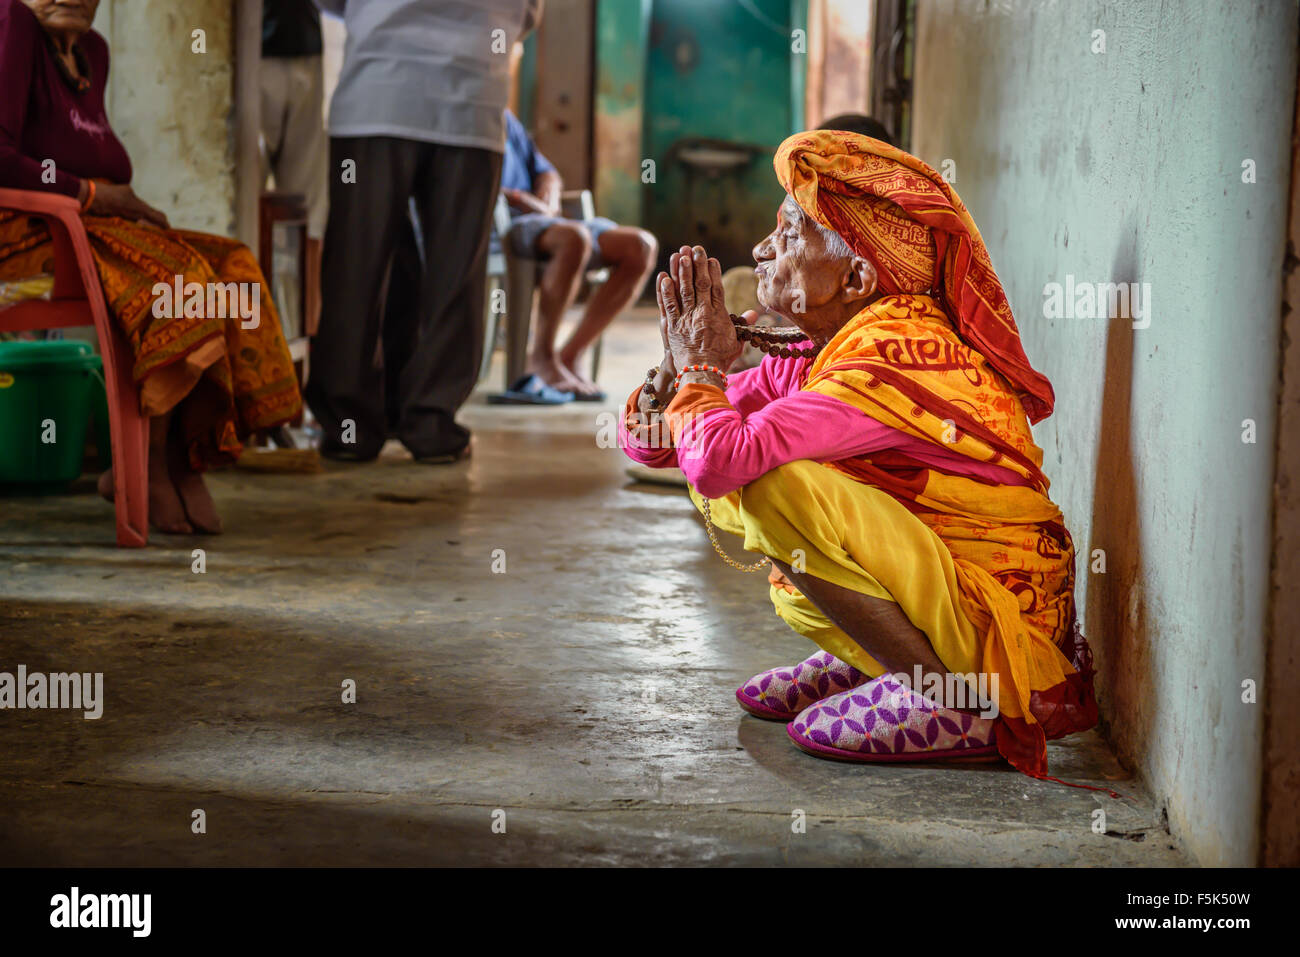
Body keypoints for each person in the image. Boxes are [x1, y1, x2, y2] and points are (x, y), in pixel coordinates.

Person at [621, 130, 1098, 782]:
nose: (763, 247)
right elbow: (684, 434)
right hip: (960, 597)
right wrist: (670, 373)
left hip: (1002, 628)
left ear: (857, 276)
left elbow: (719, 458)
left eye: (790, 234)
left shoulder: (894, 355)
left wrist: (700, 366)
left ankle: (950, 697)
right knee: (745, 465)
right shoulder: (837, 346)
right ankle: (881, 655)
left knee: (774, 487)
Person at [0, 0, 303, 535]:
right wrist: (94, 194)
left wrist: (111, 202)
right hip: (27, 235)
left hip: (90, 230)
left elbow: (100, 160)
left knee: (231, 265)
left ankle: (189, 454)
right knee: (178, 279)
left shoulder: (92, 52)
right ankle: (152, 460)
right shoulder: (14, 22)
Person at [307, 0, 542, 464]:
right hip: (473, 100)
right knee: (457, 273)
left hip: (378, 94)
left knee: (356, 266)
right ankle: (431, 423)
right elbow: (529, 14)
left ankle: (350, 427)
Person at [496, 108, 658, 403]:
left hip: (548, 220)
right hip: (508, 222)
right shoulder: (466, 117)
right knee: (575, 238)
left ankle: (570, 355)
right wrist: (522, 199)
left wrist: (548, 193)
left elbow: (546, 172)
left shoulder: (507, 118)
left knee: (641, 245)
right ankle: (542, 357)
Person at [260, 0, 328, 336]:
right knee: (245, 208)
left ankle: (307, 333)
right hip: (244, 48)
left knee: (308, 207)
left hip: (305, 45)